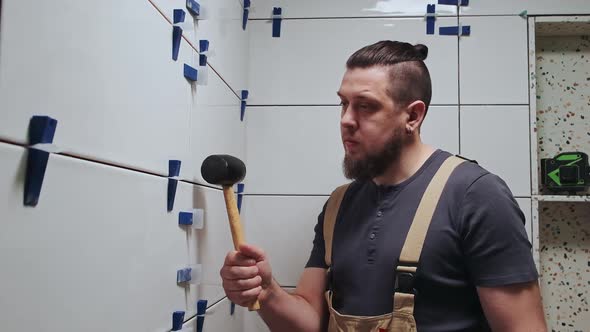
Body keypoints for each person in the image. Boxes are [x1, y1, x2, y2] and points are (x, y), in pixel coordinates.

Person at [220, 40, 547, 331]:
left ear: (413, 116)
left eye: (366, 106)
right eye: (343, 103)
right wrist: (268, 292)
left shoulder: (477, 196)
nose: (346, 120)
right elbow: (309, 321)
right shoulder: (338, 206)